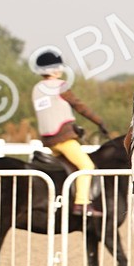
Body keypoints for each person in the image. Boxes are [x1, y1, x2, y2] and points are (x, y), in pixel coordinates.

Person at [31, 47, 111, 217]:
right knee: (86, 166)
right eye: (57, 66)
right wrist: (99, 121)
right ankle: (81, 204)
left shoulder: (37, 89)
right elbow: (80, 106)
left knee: (71, 167)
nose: (60, 69)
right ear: (51, 69)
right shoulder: (60, 86)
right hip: (64, 140)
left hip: (49, 141)